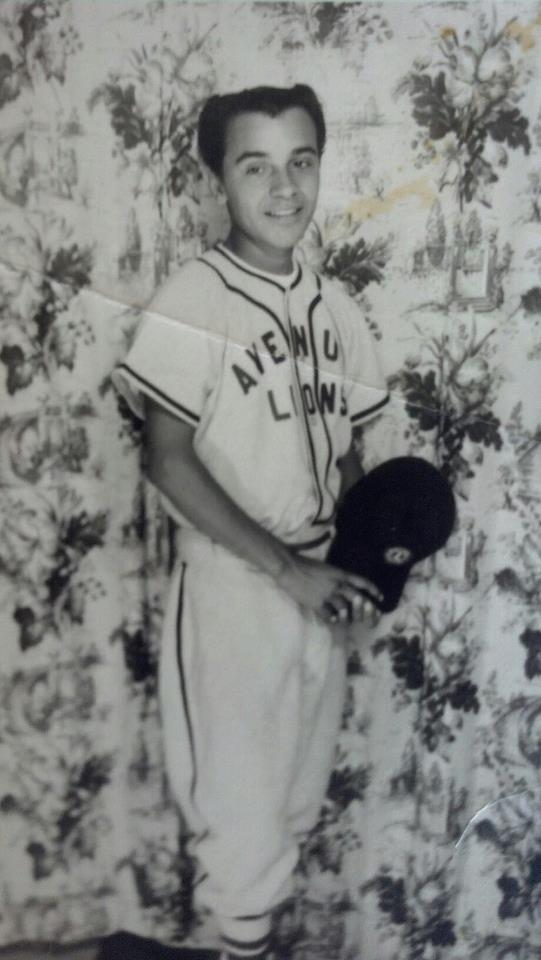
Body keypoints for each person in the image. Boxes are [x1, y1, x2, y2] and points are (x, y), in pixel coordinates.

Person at [112, 84, 390, 960]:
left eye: (300, 162)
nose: (283, 188)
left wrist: (357, 562)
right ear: (216, 179)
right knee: (240, 833)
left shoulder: (335, 305)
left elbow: (348, 453)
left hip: (315, 584)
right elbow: (165, 458)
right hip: (237, 586)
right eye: (255, 165)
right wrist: (288, 571)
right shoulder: (194, 297)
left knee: (294, 810)